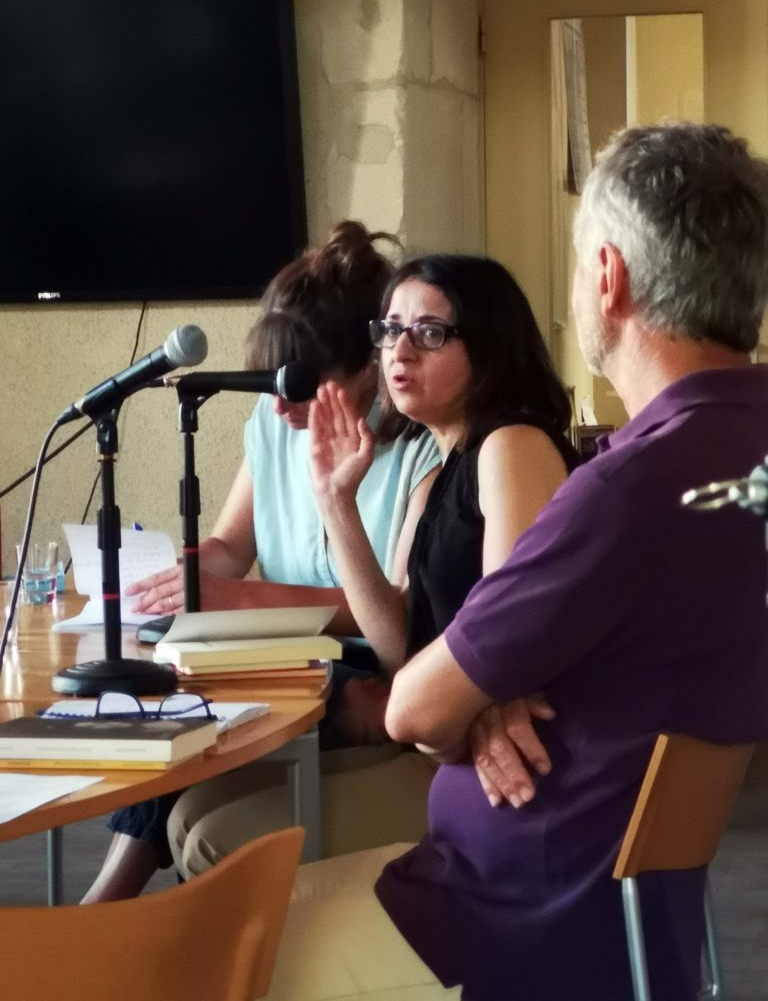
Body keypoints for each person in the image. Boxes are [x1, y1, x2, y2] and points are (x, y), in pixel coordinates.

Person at [251, 122, 768, 1001]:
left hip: (508, 918)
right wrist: (488, 690)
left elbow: (413, 705)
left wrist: (474, 695)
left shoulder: (628, 486)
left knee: (223, 941)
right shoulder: (733, 447)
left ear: (607, 276)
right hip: (634, 910)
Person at [167, 253, 579, 878]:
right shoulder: (448, 463)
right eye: (390, 330)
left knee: (218, 843)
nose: (399, 351)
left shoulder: (511, 445)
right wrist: (336, 499)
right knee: (189, 813)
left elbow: (513, 644)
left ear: (490, 345)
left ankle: (333, 942)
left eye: (430, 333)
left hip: (508, 766)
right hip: (444, 745)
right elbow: (397, 644)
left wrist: (451, 710)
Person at [80, 220, 441, 903]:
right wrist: (177, 577)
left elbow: (397, 617)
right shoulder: (275, 424)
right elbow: (228, 547)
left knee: (201, 713)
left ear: (368, 367)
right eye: (269, 383)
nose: (279, 406)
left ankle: (110, 908)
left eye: (299, 384)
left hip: (369, 665)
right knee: (173, 689)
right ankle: (111, 908)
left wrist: (243, 598)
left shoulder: (420, 449)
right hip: (284, 658)